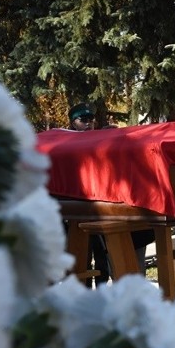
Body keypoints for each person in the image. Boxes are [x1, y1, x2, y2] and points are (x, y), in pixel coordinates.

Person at [67, 102, 109, 288]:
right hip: (76, 211)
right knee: (81, 259)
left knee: (103, 257)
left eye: (91, 120)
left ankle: (100, 295)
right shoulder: (65, 144)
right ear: (72, 123)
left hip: (98, 208)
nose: (89, 124)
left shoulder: (99, 141)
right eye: (83, 120)